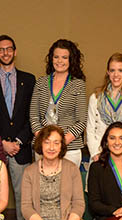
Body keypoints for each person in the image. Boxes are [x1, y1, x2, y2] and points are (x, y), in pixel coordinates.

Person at [0, 35, 36, 220]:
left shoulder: (29, 79)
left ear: (15, 51)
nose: (5, 53)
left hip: (21, 148)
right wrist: (1, 143)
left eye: (9, 49)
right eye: (1, 50)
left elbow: (32, 114)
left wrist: (17, 142)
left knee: (22, 194)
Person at [29, 39, 87, 167]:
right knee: (42, 186)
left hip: (70, 148)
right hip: (42, 147)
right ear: (51, 59)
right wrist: (45, 141)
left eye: (64, 57)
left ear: (71, 60)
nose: (59, 61)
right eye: (56, 57)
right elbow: (33, 116)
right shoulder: (41, 83)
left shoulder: (78, 84)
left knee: (67, 186)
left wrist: (59, 143)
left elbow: (82, 121)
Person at [87, 53, 122, 161]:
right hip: (99, 155)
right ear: (108, 72)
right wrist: (95, 153)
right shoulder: (95, 98)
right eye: (112, 70)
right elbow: (90, 129)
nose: (116, 75)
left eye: (120, 70)